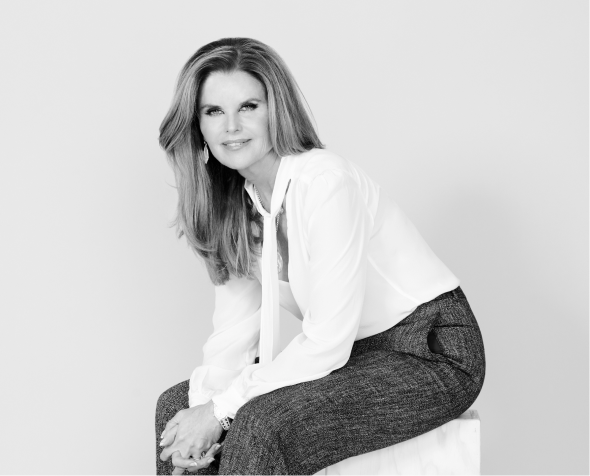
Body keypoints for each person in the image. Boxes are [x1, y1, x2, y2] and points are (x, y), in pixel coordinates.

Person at [155, 37, 485, 476]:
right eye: (214, 111)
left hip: (429, 351)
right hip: (355, 355)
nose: (231, 126)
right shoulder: (237, 207)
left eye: (249, 106)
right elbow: (231, 338)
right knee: (176, 406)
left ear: (277, 110)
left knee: (261, 426)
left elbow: (327, 340)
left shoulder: (325, 182)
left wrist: (221, 412)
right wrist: (201, 415)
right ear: (198, 125)